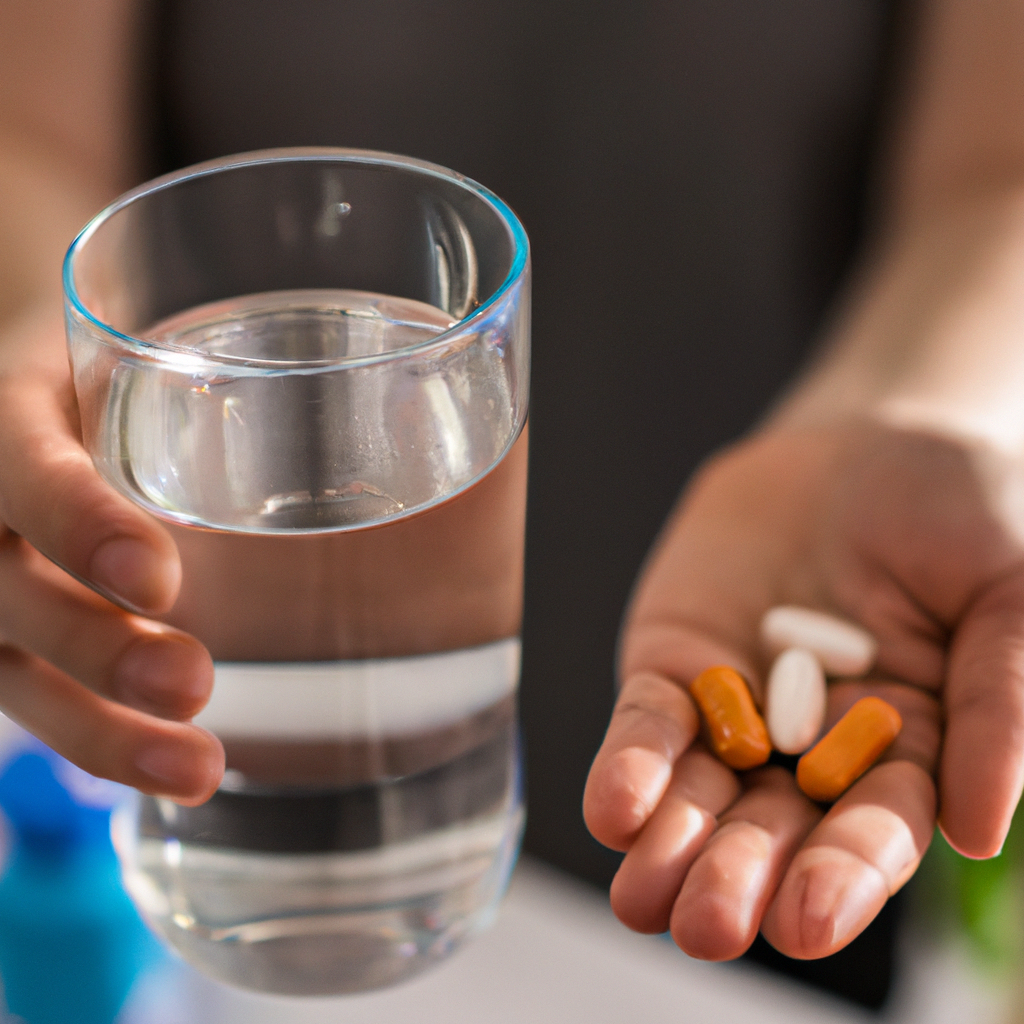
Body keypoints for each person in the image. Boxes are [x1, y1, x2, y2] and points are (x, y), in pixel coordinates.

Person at [2, 0, 1024, 990]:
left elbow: (997, 175)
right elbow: (29, 133)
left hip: (784, 616)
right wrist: (32, 338)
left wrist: (922, 417)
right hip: (202, 747)